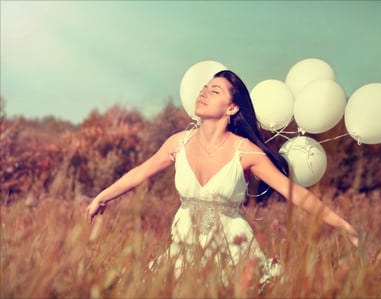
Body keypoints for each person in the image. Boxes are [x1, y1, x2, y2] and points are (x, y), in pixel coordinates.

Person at [86, 70, 359, 284]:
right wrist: (102, 197)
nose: (203, 93)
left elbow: (295, 193)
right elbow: (139, 173)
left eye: (214, 90)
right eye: (204, 88)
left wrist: (343, 225)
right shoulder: (178, 142)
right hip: (184, 249)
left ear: (231, 108)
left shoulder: (246, 152)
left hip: (233, 254)